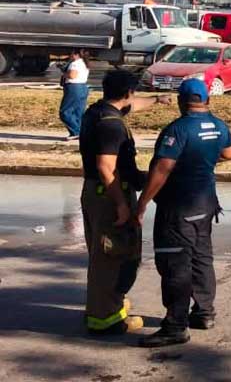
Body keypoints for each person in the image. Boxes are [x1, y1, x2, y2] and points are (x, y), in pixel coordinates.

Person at [136, 78, 231, 348]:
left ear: (181, 102)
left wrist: (142, 202)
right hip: (206, 204)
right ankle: (204, 313)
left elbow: (163, 168)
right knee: (201, 257)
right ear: (207, 100)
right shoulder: (218, 125)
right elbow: (230, 154)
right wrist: (203, 159)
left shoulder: (178, 129)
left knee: (175, 264)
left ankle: (175, 326)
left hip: (178, 207)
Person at [79, 69, 171, 336]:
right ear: (128, 92)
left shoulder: (98, 111)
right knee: (113, 255)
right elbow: (106, 167)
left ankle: (107, 303)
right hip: (109, 196)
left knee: (102, 255)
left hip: (96, 192)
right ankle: (106, 318)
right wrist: (121, 204)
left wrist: (156, 100)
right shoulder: (111, 125)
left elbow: (133, 105)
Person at [59, 49, 90, 140]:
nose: (70, 56)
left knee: (65, 112)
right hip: (83, 87)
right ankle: (82, 132)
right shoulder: (85, 63)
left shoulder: (75, 63)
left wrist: (64, 73)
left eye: (71, 54)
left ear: (76, 54)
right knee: (78, 112)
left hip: (73, 87)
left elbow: (72, 75)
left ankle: (76, 131)